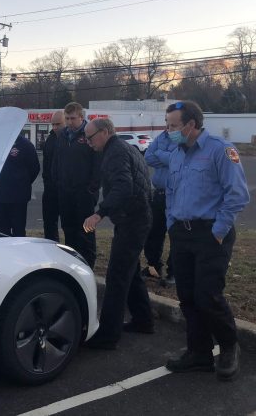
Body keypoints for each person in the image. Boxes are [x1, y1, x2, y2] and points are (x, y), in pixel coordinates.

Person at [163, 100, 250, 381]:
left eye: (174, 126)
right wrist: (171, 223)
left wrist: (219, 230)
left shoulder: (221, 150)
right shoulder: (177, 153)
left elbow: (237, 194)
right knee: (187, 296)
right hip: (182, 233)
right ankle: (198, 353)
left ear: (191, 125)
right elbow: (171, 192)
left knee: (208, 295)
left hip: (211, 233)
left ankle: (228, 346)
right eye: (168, 125)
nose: (169, 131)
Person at [82, 118, 154, 349]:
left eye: (90, 137)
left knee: (117, 275)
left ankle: (108, 334)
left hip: (133, 219)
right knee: (130, 272)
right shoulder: (124, 148)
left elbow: (124, 187)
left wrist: (99, 214)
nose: (88, 142)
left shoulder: (115, 152)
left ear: (104, 132)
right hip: (136, 217)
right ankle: (144, 320)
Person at [51, 102, 100, 267]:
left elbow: (97, 165)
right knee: (68, 228)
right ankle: (72, 262)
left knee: (85, 230)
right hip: (65, 191)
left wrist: (92, 188)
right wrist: (57, 181)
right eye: (67, 118)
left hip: (84, 193)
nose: (70, 122)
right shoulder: (63, 135)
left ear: (81, 117)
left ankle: (88, 263)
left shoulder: (89, 136)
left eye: (73, 118)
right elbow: (56, 161)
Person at [143, 125, 178, 286]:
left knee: (176, 235)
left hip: (176, 195)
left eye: (173, 123)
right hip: (158, 193)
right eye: (167, 121)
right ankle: (154, 267)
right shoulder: (161, 137)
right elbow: (148, 156)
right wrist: (166, 157)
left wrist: (160, 154)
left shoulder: (183, 138)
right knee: (153, 232)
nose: (169, 126)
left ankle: (174, 272)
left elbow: (176, 159)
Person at [0, 134, 40, 236]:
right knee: (0, 233)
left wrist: (22, 183)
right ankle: (4, 252)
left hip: (18, 199)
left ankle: (18, 251)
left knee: (19, 232)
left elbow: (35, 168)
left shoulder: (26, 145)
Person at [41, 110, 64, 241]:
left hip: (67, 190)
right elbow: (45, 165)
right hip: (50, 189)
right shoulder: (50, 139)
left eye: (58, 124)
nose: (55, 127)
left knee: (70, 225)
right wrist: (47, 183)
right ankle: (52, 249)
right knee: (49, 223)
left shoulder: (72, 139)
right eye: (53, 124)